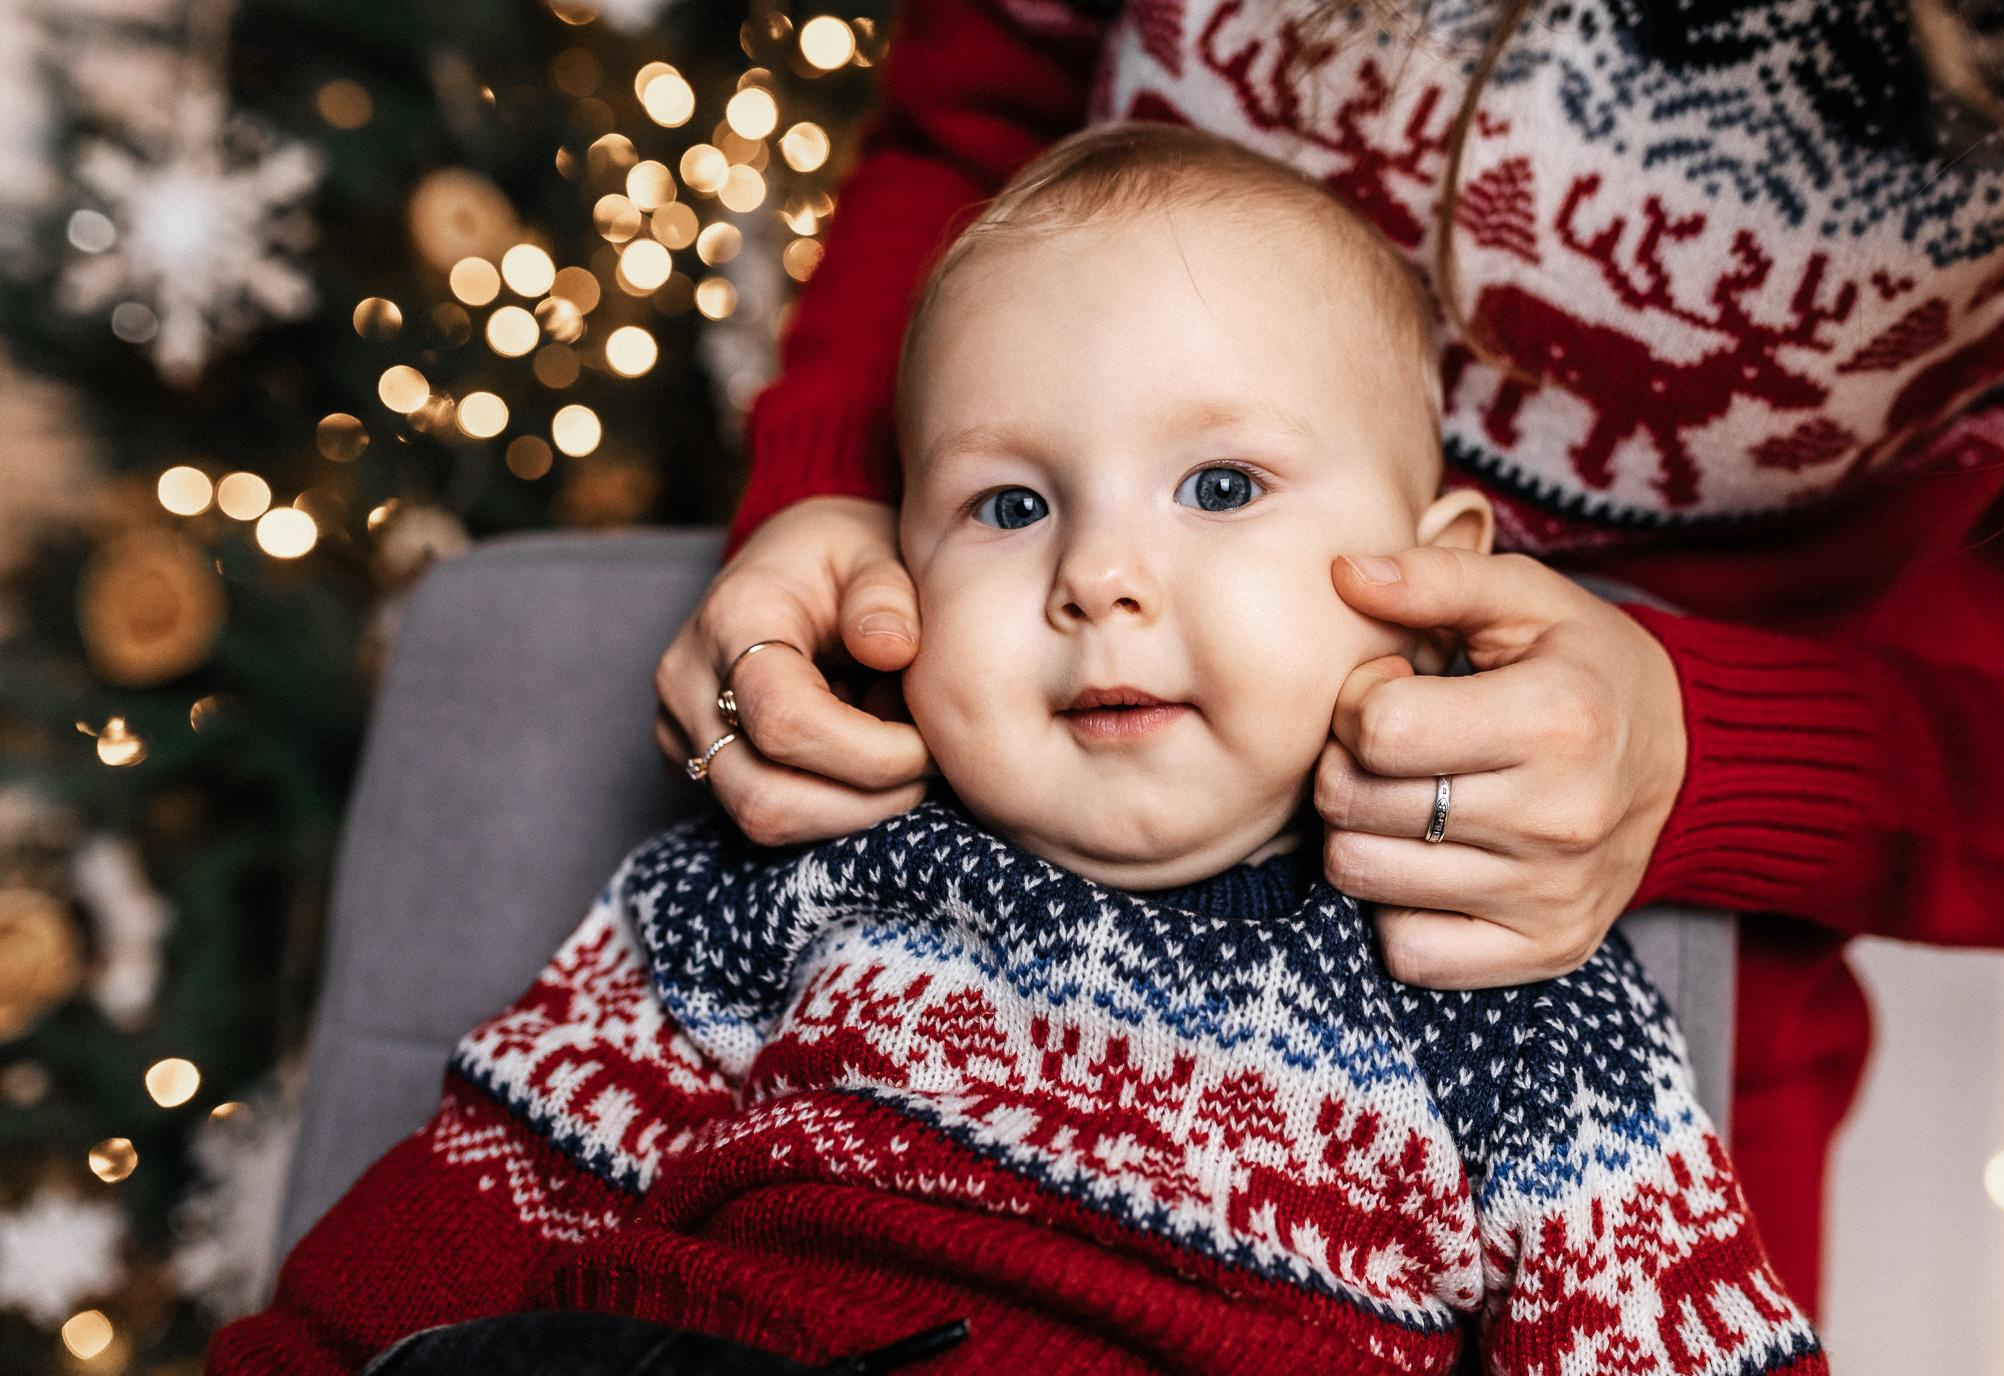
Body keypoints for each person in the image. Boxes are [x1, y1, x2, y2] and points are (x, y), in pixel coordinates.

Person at [650, 0, 2004, 1313]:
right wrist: (831, 489)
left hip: (1657, 1006)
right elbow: (977, 111)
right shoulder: (749, 933)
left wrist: (1716, 754)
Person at [210, 125, 1825, 1376]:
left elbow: (1675, 1340)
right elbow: (495, 1179)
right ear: (898, 571)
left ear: (1435, 580)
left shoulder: (1497, 975)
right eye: (1009, 504)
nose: (1098, 575)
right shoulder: (806, 862)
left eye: (1220, 487)